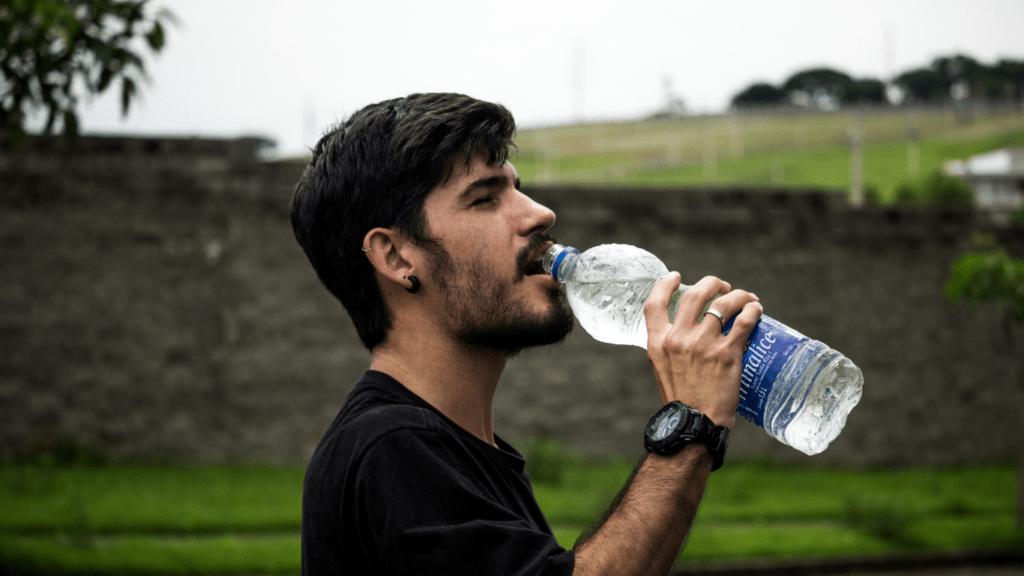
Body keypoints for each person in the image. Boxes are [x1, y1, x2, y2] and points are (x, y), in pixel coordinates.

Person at [290, 92, 762, 576]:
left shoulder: (458, 450)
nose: (540, 214)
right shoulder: (391, 448)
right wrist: (690, 426)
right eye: (484, 198)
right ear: (395, 257)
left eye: (518, 188)